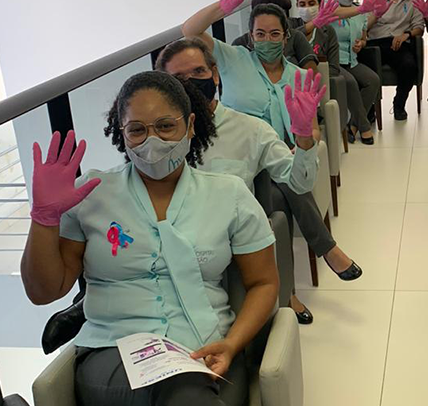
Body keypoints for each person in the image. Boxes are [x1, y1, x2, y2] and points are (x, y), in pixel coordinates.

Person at [20, 72, 279, 406]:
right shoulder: (93, 195)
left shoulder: (229, 194)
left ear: (190, 125)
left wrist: (232, 344)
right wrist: (44, 218)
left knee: (188, 390)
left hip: (208, 347)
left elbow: (263, 282)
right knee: (184, 393)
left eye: (165, 126)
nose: (151, 141)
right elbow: (44, 292)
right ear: (122, 133)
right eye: (137, 130)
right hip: (113, 352)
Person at [181, 0, 362, 320]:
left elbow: (312, 129)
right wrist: (225, 6)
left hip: (283, 155)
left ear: (286, 37)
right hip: (240, 155)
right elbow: (189, 30)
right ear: (250, 37)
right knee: (282, 198)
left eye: (274, 34)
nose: (266, 40)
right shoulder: (234, 60)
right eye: (260, 34)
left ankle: (288, 292)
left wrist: (306, 142)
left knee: (281, 197)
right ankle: (324, 253)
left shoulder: (298, 75)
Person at [155, 38, 332, 324]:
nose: (191, 83)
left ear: (215, 75)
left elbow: (299, 183)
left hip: (225, 250)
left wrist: (303, 139)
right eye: (179, 78)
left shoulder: (251, 130)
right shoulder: (153, 137)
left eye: (198, 72)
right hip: (163, 252)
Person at [292, 0, 378, 144]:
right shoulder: (292, 25)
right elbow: (291, 38)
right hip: (295, 80)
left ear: (320, 4)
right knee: (349, 81)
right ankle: (363, 126)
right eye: (302, 4)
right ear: (296, 5)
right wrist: (313, 23)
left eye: (311, 3)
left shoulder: (327, 30)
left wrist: (319, 77)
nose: (307, 8)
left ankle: (356, 125)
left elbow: (333, 65)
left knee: (357, 81)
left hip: (324, 76)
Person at [364, 0, 425, 121]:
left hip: (399, 43)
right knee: (365, 69)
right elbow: (363, 28)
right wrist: (376, 15)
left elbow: (419, 27)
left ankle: (399, 105)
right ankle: (369, 108)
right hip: (375, 43)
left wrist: (406, 35)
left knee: (409, 65)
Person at [329, 0, 383, 137]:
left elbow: (364, 38)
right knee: (350, 82)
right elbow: (339, 13)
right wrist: (361, 9)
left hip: (352, 60)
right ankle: (364, 127)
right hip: (334, 62)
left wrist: (361, 43)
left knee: (373, 80)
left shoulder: (361, 12)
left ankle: (353, 124)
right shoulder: (329, 8)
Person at [232, 0, 318, 70]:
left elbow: (311, 72)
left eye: (275, 33)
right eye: (261, 34)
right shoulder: (240, 44)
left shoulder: (296, 36)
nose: (268, 39)